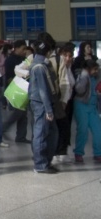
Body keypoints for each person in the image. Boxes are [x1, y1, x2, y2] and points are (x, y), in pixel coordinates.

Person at [28, 34, 61, 174]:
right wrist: (48, 110)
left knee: (52, 133)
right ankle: (40, 165)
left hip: (44, 103)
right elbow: (42, 91)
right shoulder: (39, 67)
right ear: (48, 51)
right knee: (41, 134)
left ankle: (46, 161)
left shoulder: (40, 64)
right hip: (41, 104)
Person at [72, 59, 101, 163]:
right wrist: (84, 76)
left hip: (92, 107)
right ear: (87, 69)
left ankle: (98, 153)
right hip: (81, 105)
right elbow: (79, 90)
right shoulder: (83, 76)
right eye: (94, 69)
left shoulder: (96, 77)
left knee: (98, 130)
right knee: (82, 131)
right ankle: (78, 153)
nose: (96, 71)